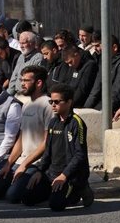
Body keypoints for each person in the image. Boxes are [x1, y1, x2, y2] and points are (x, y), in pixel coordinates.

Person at [22, 83, 94, 211]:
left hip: (69, 175)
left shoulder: (77, 123)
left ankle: (80, 188)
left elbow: (80, 154)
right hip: (51, 173)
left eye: (57, 101)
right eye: (51, 101)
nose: (53, 105)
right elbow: (47, 152)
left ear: (69, 102)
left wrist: (64, 175)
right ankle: (53, 192)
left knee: (56, 205)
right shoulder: (53, 122)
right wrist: (39, 171)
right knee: (27, 198)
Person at [0, 65, 54, 203]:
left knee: (12, 197)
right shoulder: (26, 104)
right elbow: (21, 138)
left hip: (35, 163)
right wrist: (9, 164)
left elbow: (46, 142)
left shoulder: (48, 105)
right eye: (22, 80)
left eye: (26, 80)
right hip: (20, 162)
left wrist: (24, 164)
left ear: (39, 83)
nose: (22, 84)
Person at [8, 32, 43, 96]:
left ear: (32, 43)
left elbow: (33, 80)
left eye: (23, 43)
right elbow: (14, 76)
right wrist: (8, 94)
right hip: (17, 94)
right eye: (20, 43)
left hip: (29, 95)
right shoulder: (21, 56)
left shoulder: (38, 57)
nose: (21, 46)